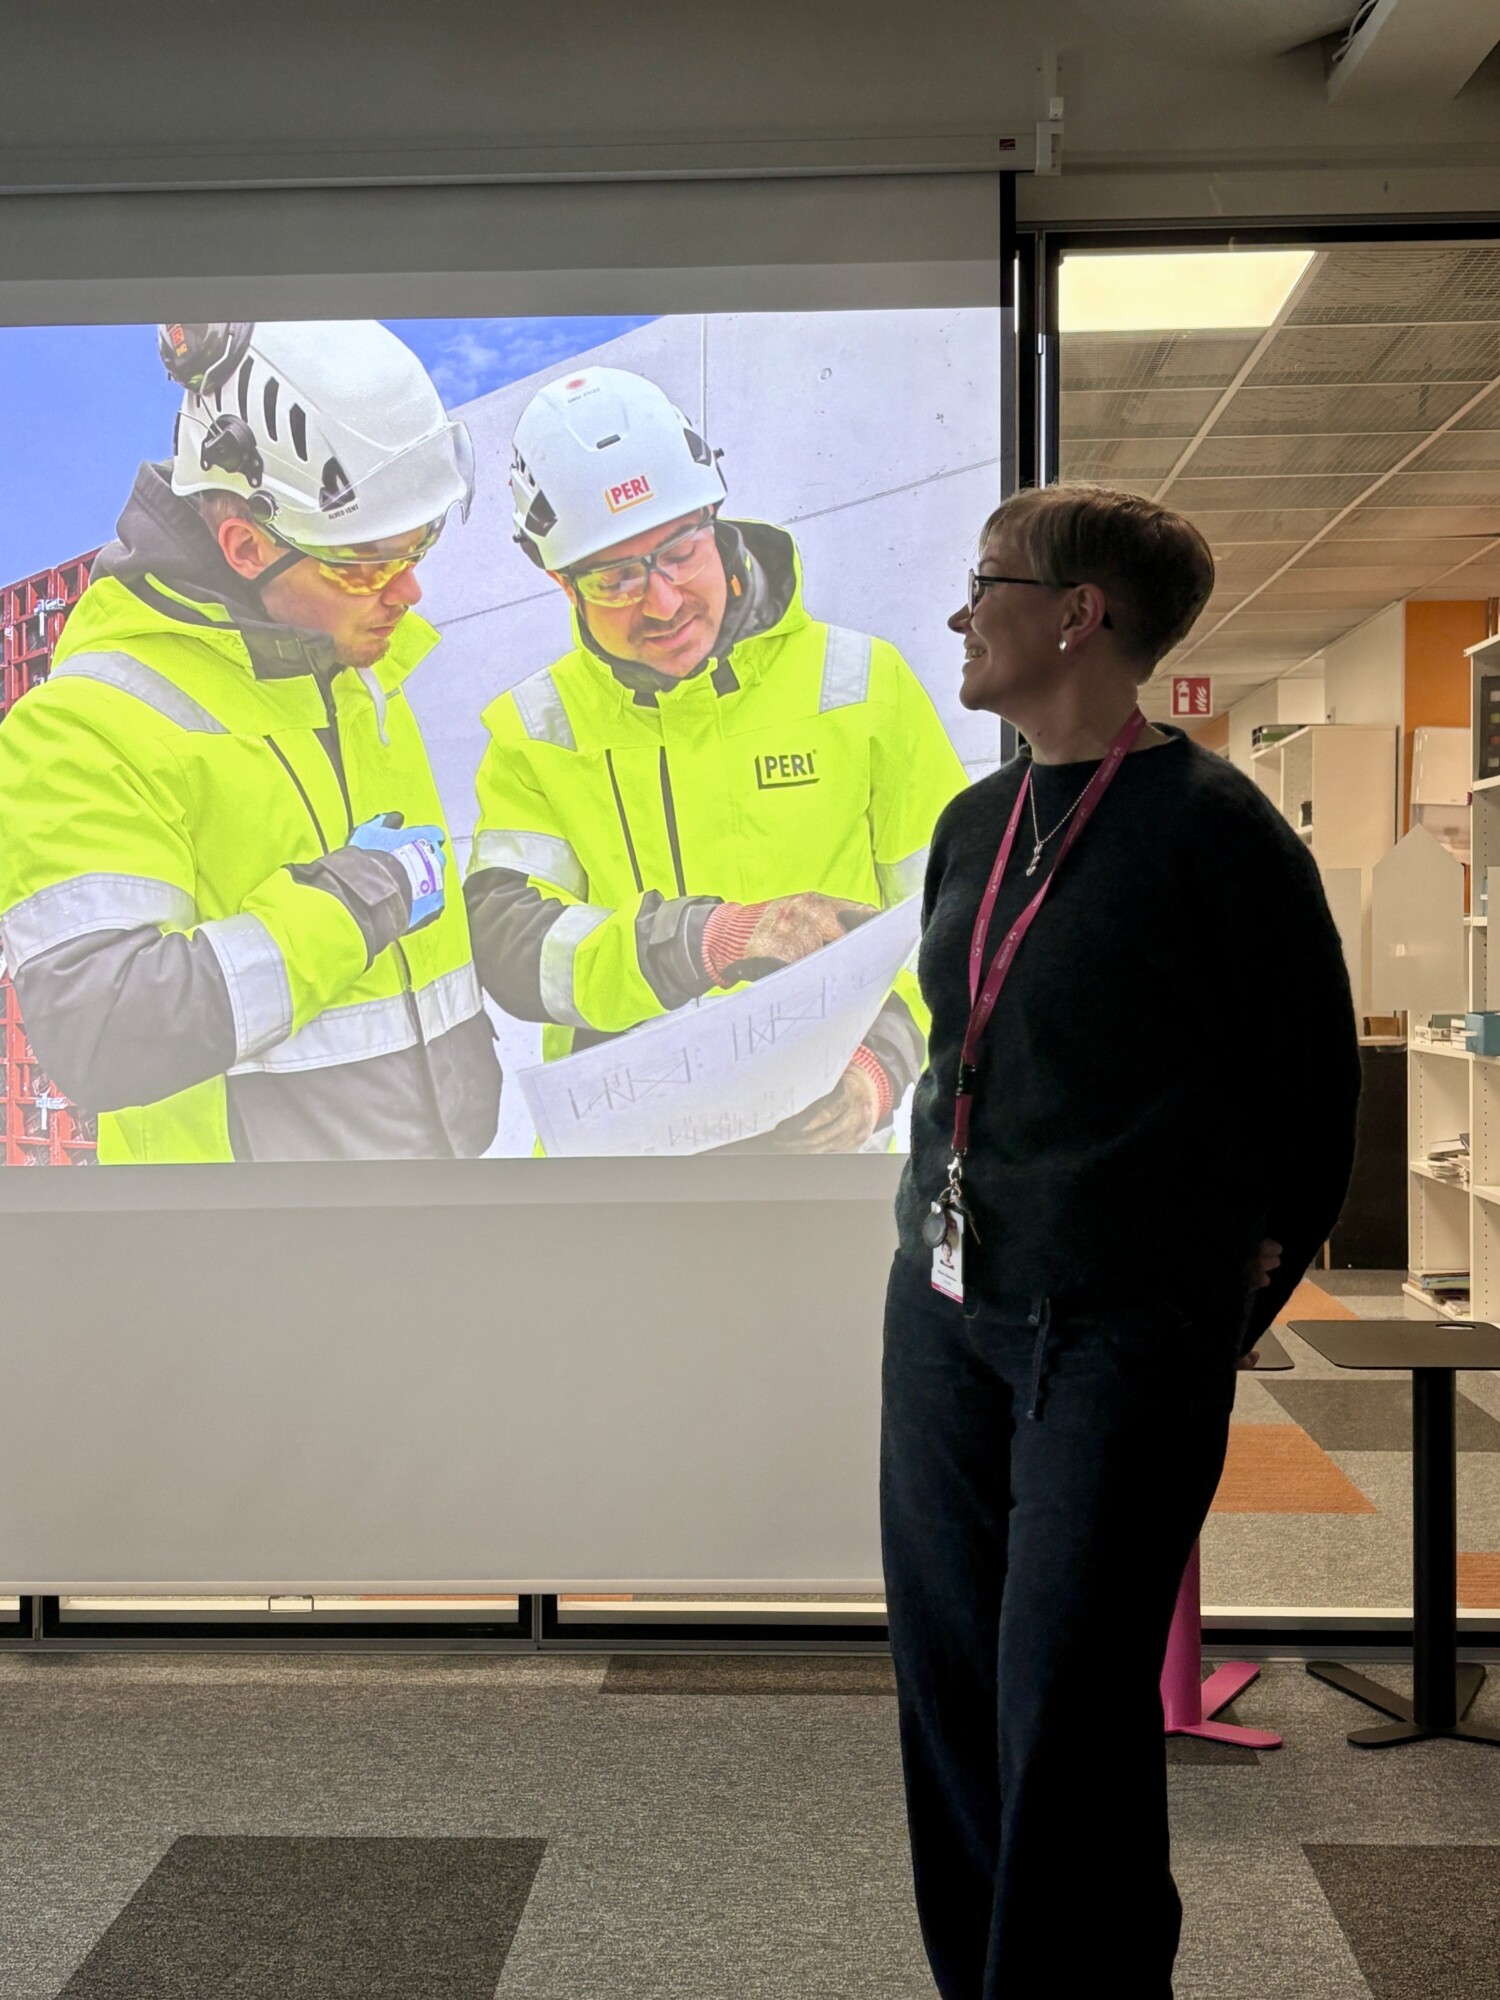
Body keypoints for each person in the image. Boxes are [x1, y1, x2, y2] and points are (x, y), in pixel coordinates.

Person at [881, 484, 1360, 1996]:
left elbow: (1313, 1114)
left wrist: (1194, 1319)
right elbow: (969, 1042)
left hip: (1115, 1333)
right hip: (948, 1312)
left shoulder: (1215, 833)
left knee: (1065, 1700)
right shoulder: (976, 818)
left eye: (988, 584)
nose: (964, 612)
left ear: (1079, 612)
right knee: (951, 1684)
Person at [0, 319, 501, 1163]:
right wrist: (352, 903)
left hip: (436, 1208)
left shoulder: (352, 667)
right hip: (249, 1255)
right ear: (246, 545)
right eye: (365, 562)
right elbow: (104, 1032)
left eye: (420, 544)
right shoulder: (85, 725)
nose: (408, 590)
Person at [465, 365, 966, 1150]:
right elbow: (512, 946)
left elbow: (955, 922)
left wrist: (885, 1062)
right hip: (626, 1168)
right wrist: (709, 939)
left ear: (715, 521)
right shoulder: (535, 731)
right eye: (615, 577)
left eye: (678, 551)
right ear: (566, 587)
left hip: (825, 1160)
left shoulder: (865, 687)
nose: (660, 602)